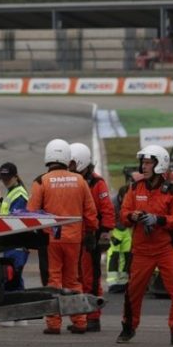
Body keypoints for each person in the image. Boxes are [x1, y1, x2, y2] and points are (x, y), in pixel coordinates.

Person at [27, 138, 98, 335]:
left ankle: (53, 323)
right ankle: (80, 321)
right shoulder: (80, 181)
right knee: (73, 280)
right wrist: (91, 232)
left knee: (53, 281)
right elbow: (90, 211)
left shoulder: (41, 181)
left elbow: (31, 212)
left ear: (48, 157)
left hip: (51, 240)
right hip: (74, 239)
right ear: (67, 158)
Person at [116, 145, 173, 346]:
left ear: (159, 164)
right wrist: (133, 216)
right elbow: (123, 214)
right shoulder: (135, 188)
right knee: (132, 291)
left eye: (148, 163)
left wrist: (158, 220)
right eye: (143, 163)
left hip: (166, 249)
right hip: (141, 251)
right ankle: (128, 328)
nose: (144, 167)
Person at [69, 142, 116, 332]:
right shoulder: (72, 181)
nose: (69, 167)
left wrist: (104, 234)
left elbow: (107, 210)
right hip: (74, 236)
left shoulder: (97, 183)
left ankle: (93, 317)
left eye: (72, 163)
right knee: (76, 278)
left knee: (91, 278)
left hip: (91, 238)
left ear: (81, 162)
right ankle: (80, 316)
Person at [0, 162, 30, 292]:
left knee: (11, 281)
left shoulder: (19, 195)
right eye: (3, 179)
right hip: (11, 243)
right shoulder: (12, 191)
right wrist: (1, 200)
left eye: (7, 179)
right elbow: (10, 210)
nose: (5, 182)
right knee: (15, 281)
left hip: (17, 244)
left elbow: (15, 219)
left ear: (15, 177)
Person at [106, 167, 139, 294]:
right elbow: (109, 218)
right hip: (116, 230)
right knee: (114, 255)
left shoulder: (131, 201)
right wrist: (110, 234)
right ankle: (113, 282)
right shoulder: (113, 203)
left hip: (127, 230)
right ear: (120, 197)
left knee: (126, 256)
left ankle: (123, 281)